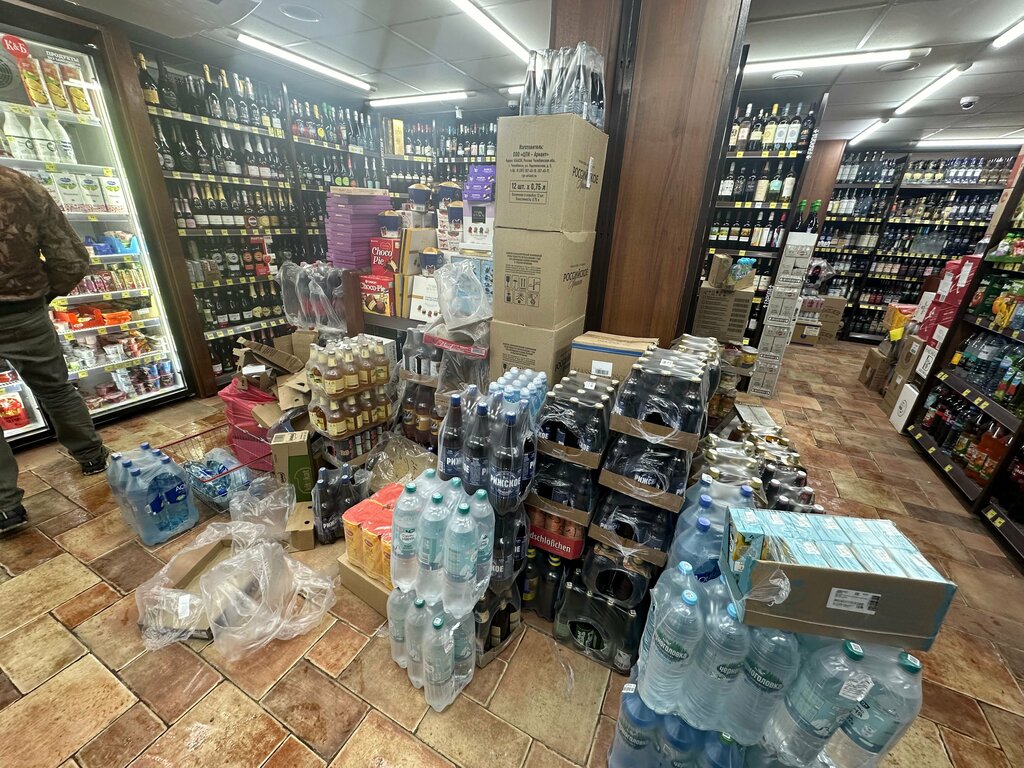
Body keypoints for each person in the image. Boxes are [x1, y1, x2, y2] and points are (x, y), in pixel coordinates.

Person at [0, 166, 108, 531]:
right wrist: (40, 295)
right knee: (56, 389)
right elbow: (70, 259)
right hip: (23, 310)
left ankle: (5, 507)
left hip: (25, 305)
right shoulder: (17, 183)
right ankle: (92, 457)